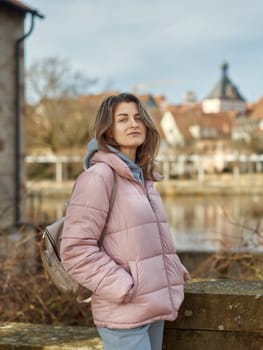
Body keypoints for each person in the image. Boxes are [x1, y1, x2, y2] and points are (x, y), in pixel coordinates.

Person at [60, 92, 189, 350]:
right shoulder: (99, 177)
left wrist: (173, 271)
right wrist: (122, 286)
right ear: (108, 131)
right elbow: (74, 250)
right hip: (123, 313)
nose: (134, 124)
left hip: (153, 305)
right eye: (123, 119)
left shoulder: (144, 177)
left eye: (139, 118)